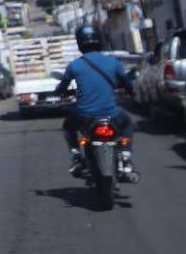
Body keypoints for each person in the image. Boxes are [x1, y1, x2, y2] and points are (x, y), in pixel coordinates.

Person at [55, 25, 134, 176]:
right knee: (128, 124)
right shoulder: (113, 62)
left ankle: (77, 155)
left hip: (85, 116)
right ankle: (125, 156)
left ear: (79, 43)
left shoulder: (75, 65)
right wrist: (131, 91)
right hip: (112, 114)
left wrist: (61, 92)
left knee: (67, 126)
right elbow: (127, 82)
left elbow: (61, 87)